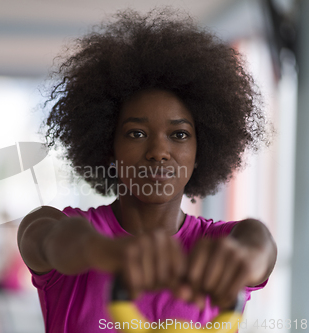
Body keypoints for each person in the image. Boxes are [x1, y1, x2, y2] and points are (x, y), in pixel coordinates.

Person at [17, 8, 277, 332]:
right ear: (109, 148)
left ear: (201, 152)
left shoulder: (219, 244)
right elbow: (42, 235)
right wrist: (105, 251)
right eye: (136, 134)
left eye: (179, 135)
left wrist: (241, 256)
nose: (158, 153)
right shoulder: (74, 232)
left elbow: (259, 244)